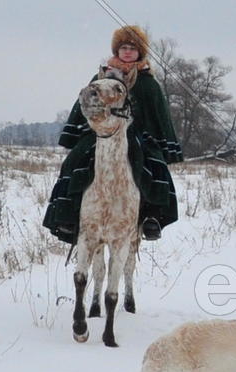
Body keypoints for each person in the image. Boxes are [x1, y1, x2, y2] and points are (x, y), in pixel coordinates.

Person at [43, 25, 182, 244]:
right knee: (73, 161)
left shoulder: (148, 83)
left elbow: (159, 116)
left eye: (132, 48)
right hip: (100, 133)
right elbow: (84, 105)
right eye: (124, 47)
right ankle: (67, 216)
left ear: (140, 52)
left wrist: (161, 143)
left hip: (138, 136)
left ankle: (152, 217)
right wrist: (81, 131)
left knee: (155, 165)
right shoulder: (100, 77)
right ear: (117, 50)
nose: (127, 52)